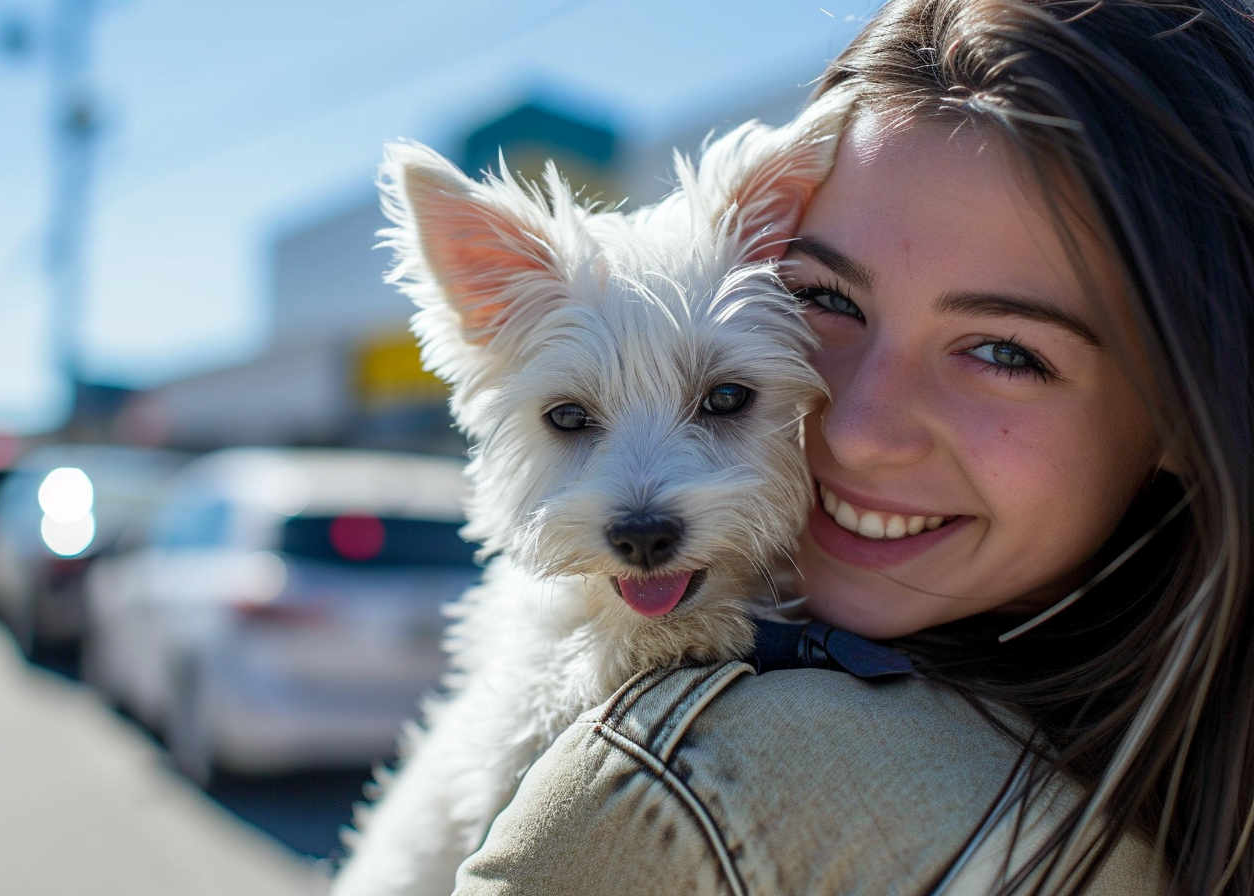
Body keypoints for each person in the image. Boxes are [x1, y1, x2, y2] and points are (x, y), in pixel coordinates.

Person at [449, 0, 1254, 893]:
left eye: (1004, 351)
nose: (855, 431)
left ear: (1194, 405)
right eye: (826, 300)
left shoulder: (688, 785)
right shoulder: (1173, 787)